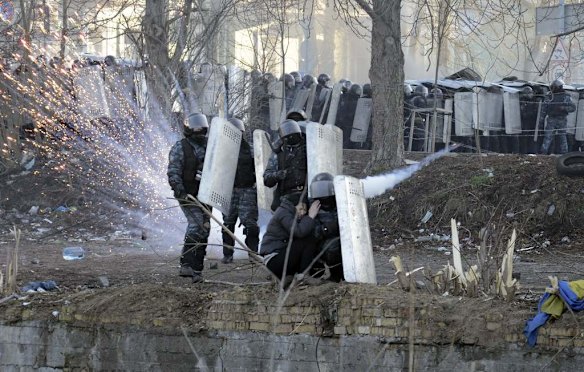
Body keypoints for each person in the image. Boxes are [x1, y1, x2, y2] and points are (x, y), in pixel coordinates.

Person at [167, 112, 210, 283]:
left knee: (205, 229)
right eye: (196, 129)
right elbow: (173, 171)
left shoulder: (210, 147)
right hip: (188, 194)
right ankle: (186, 264)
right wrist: (180, 191)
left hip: (206, 195)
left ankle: (197, 269)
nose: (199, 133)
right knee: (196, 225)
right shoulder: (180, 147)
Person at [221, 118, 260, 264]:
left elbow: (260, 167)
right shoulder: (223, 151)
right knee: (227, 223)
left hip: (247, 190)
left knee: (250, 225)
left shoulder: (250, 149)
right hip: (229, 191)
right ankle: (227, 254)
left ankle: (253, 254)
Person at [260, 192, 321, 280]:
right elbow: (299, 231)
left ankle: (290, 277)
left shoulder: (292, 214)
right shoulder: (283, 213)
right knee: (308, 239)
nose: (303, 212)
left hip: (282, 256)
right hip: (274, 260)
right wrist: (310, 216)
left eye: (305, 209)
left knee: (317, 265)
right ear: (293, 206)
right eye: (300, 208)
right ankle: (304, 276)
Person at [263, 119, 308, 211]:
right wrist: (277, 175)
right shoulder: (278, 152)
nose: (291, 138)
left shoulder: (308, 148)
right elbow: (267, 179)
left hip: (306, 195)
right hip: (286, 197)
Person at [309, 173, 343, 282]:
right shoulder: (312, 206)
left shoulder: (340, 203)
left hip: (340, 241)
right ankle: (316, 274)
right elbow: (312, 232)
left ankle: (337, 275)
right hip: (319, 244)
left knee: (333, 247)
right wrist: (326, 229)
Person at [539, 79, 576, 155]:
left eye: (554, 87)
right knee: (548, 137)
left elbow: (573, 108)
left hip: (562, 119)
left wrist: (564, 108)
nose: (552, 88)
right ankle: (543, 152)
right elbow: (544, 109)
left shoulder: (566, 96)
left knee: (562, 137)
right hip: (551, 119)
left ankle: (564, 153)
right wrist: (541, 120)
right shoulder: (549, 96)